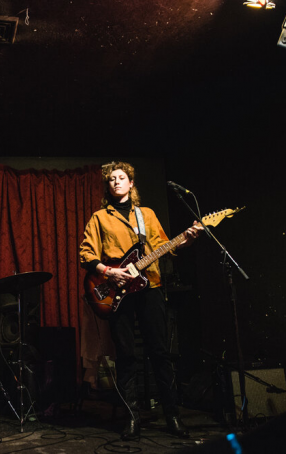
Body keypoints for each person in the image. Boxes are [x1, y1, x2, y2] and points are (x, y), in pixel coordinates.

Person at [79, 161, 203, 440]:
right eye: (111, 179)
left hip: (150, 288)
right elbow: (86, 254)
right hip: (117, 292)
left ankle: (172, 415)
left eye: (121, 178)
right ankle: (131, 417)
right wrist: (109, 271)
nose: (116, 182)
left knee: (159, 352)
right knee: (125, 355)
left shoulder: (145, 214)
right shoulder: (99, 218)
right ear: (107, 186)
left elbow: (165, 247)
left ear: (131, 183)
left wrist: (189, 239)